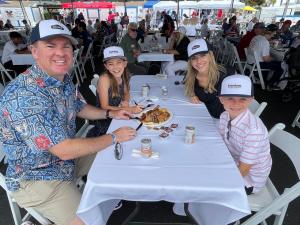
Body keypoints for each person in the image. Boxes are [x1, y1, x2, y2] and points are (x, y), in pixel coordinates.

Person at [0, 19, 137, 225]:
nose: (61, 53)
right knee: (90, 222)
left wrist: (111, 115)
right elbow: (64, 149)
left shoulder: (61, 78)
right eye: (50, 46)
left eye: (66, 46)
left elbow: (80, 106)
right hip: (37, 177)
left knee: (121, 152)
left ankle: (101, 198)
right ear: (34, 51)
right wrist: (114, 135)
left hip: (66, 163)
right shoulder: (24, 95)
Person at [218, 74, 271, 194]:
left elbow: (243, 170)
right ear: (221, 99)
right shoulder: (224, 116)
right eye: (230, 98)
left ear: (250, 100)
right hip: (232, 161)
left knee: (206, 180)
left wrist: (219, 177)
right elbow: (221, 142)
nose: (236, 103)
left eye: (243, 99)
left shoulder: (254, 131)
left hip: (249, 180)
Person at [87, 46, 143, 137]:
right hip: (105, 121)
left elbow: (126, 93)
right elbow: (104, 106)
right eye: (111, 64)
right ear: (106, 66)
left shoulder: (122, 76)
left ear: (125, 63)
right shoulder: (104, 79)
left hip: (118, 114)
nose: (115, 67)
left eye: (118, 62)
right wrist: (128, 109)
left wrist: (125, 101)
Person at [184, 39, 227, 119]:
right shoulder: (190, 76)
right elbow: (187, 85)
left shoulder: (225, 77)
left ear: (211, 56)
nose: (199, 61)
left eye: (203, 55)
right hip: (201, 117)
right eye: (194, 58)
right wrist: (192, 94)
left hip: (223, 123)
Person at [247, 24, 283, 89]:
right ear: (273, 33)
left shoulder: (256, 37)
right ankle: (270, 84)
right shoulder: (265, 42)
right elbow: (266, 59)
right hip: (256, 64)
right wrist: (274, 58)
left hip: (250, 61)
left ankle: (264, 79)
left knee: (273, 63)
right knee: (280, 67)